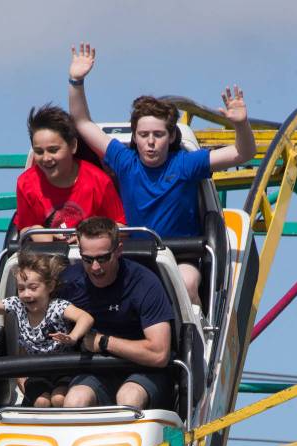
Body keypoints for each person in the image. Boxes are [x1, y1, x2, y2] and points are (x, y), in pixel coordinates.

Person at [68, 43, 256, 304]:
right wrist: (76, 81)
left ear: (171, 137)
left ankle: (196, 336)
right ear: (135, 137)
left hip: (181, 253)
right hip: (135, 253)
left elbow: (242, 154)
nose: (151, 142)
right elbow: (82, 123)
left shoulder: (185, 164)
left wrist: (241, 124)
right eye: (144, 135)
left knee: (187, 283)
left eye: (158, 135)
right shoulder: (125, 161)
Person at [59, 217, 174, 410]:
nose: (95, 267)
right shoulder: (69, 283)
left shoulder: (144, 283)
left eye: (103, 258)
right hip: (94, 371)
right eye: (87, 259)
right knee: (74, 400)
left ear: (119, 250)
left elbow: (159, 353)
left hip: (143, 371)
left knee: (129, 398)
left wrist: (104, 342)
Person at [0, 251, 94, 407]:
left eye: (33, 288)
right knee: (41, 401)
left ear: (50, 286)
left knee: (59, 399)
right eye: (21, 288)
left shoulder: (57, 306)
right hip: (36, 370)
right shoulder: (17, 305)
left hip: (63, 367)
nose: (26, 294)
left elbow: (85, 318)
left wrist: (73, 336)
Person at [15, 104, 125, 238]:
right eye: (39, 152)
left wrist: (91, 237)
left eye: (53, 150)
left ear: (73, 146)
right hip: (46, 256)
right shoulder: (26, 183)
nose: (46, 158)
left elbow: (121, 228)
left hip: (93, 256)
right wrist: (37, 232)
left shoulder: (99, 181)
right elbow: (24, 227)